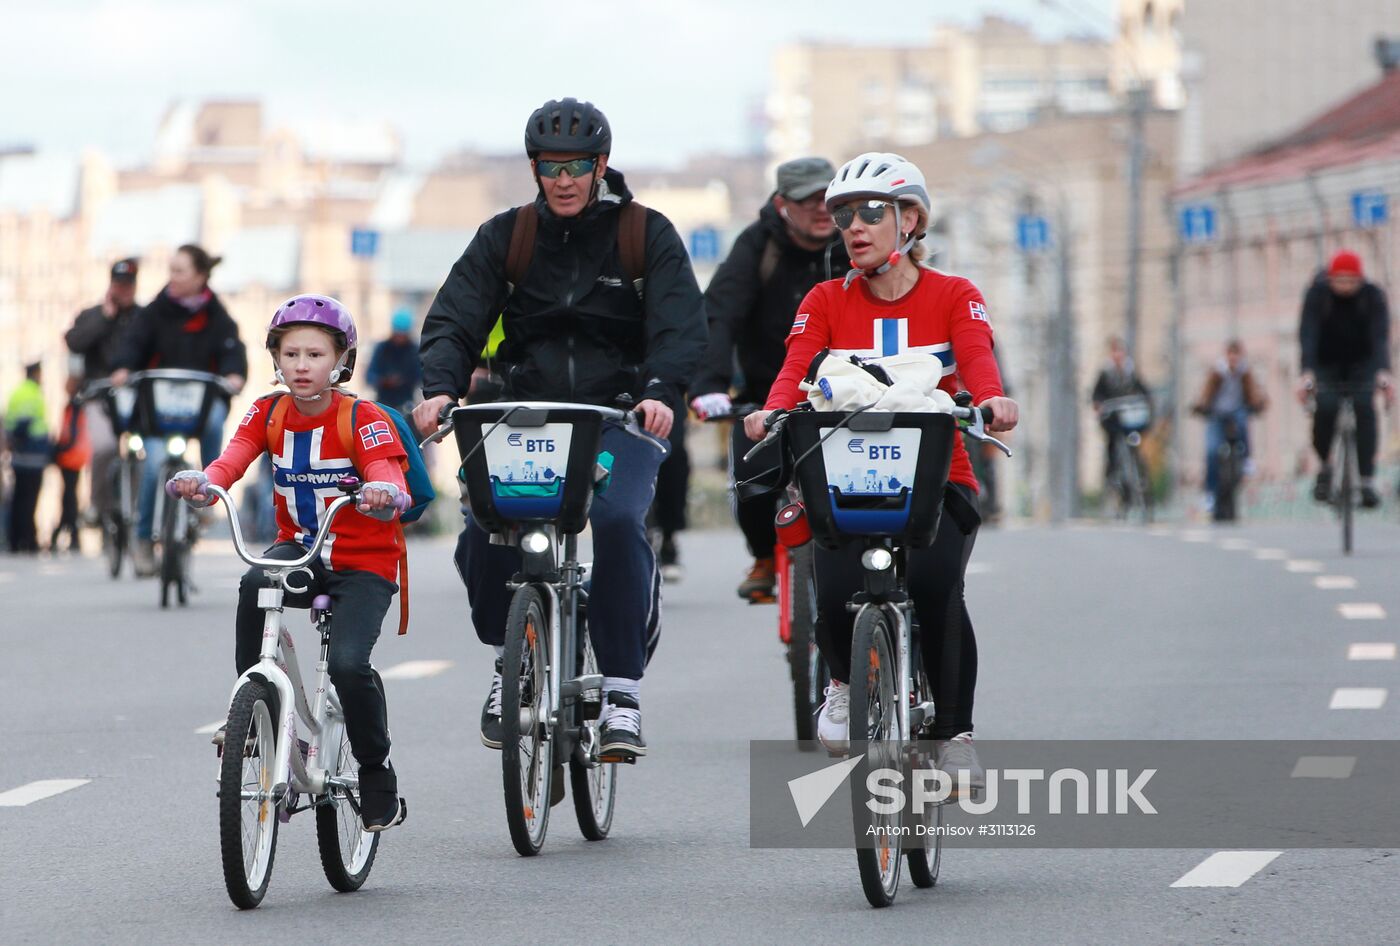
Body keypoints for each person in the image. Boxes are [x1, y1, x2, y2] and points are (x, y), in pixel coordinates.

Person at [414, 98, 706, 761]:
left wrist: (661, 391)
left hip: (620, 416)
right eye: (551, 168)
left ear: (601, 165)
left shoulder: (644, 234)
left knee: (617, 519)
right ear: (535, 169)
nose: (564, 180)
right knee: (484, 529)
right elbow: (455, 319)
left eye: (577, 166)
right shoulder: (506, 236)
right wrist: (439, 388)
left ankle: (624, 689)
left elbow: (680, 327)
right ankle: (508, 657)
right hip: (524, 414)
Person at [743, 152, 1018, 788]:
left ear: (911, 219)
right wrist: (773, 411)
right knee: (834, 589)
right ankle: (842, 684)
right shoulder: (824, 299)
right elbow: (795, 366)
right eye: (843, 216)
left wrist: (993, 400)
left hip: (936, 476)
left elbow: (977, 361)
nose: (854, 227)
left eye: (871, 212)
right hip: (845, 477)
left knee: (936, 586)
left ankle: (954, 735)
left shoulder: (955, 294)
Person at [168, 295, 409, 831]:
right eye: (291, 354)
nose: (302, 366)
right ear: (275, 359)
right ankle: (259, 716)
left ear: (341, 360)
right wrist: (207, 483)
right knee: (254, 583)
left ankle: (375, 771)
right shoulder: (268, 410)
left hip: (362, 561)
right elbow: (233, 457)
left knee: (349, 665)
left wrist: (383, 492)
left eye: (316, 355)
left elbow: (387, 473)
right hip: (298, 548)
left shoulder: (362, 417)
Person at [690, 156, 849, 601]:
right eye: (808, 200)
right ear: (782, 204)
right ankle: (763, 555)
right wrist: (709, 386)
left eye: (828, 199)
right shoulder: (758, 246)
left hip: (851, 394)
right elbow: (718, 316)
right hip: (767, 393)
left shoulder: (854, 242)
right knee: (752, 474)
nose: (822, 210)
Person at [111, 245, 247, 575]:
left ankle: (210, 489)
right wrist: (124, 368)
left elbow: (231, 349)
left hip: (199, 409)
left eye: (180, 271)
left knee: (216, 420)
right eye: (170, 270)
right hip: (158, 413)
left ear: (200, 276)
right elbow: (133, 343)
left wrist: (234, 375)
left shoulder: (217, 315)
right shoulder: (155, 312)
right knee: (155, 461)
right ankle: (143, 540)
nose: (172, 277)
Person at [1297, 249, 1393, 508]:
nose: (1345, 286)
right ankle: (1326, 466)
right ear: (1330, 278)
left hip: (1362, 364)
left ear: (1360, 279)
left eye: (1351, 281)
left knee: (1365, 409)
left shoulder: (1372, 297)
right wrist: (1306, 371)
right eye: (1340, 280)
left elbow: (1380, 337)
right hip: (1325, 364)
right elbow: (1308, 334)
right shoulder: (1318, 295)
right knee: (1325, 408)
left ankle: (1366, 480)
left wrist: (1384, 372)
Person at [65, 258, 142, 525]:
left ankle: (138, 508)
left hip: (136, 400)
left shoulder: (143, 318)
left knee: (143, 451)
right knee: (105, 447)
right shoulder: (92, 316)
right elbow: (74, 342)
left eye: (129, 284)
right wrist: (105, 318)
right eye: (120, 284)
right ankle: (98, 506)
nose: (125, 290)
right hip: (99, 397)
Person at [1193, 339, 1267, 509]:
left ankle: (1247, 459)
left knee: (1243, 422)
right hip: (1217, 414)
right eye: (1231, 356)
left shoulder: (1245, 372)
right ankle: (1210, 492)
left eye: (1237, 356)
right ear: (1226, 356)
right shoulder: (1217, 372)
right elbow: (1205, 392)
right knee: (1212, 451)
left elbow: (1254, 392)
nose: (1233, 360)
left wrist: (1259, 404)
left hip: (1236, 412)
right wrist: (1200, 406)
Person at [1090, 336, 1152, 492]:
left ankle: (1138, 472)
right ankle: (1113, 474)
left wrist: (1146, 401)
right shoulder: (1105, 373)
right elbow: (1096, 394)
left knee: (1135, 440)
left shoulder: (1130, 372)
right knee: (1112, 443)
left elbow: (1143, 389)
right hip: (1113, 418)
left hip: (1130, 418)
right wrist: (1099, 405)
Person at [5, 360, 50, 554]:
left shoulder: (17, 392)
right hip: (32, 457)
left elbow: (10, 425)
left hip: (19, 456)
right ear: (35, 374)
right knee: (29, 500)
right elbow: (25, 424)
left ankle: (15, 540)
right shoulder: (32, 394)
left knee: (18, 499)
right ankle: (29, 540)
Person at [50, 373, 91, 553]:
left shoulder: (75, 406)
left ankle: (68, 531)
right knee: (69, 495)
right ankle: (69, 532)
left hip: (70, 457)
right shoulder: (76, 405)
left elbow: (72, 433)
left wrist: (59, 448)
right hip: (72, 457)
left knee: (69, 497)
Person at [365, 308, 422, 414]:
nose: (400, 339)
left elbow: (421, 377)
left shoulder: (414, 351)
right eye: (398, 334)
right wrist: (384, 381)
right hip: (383, 405)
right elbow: (369, 376)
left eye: (403, 335)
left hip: (407, 405)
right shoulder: (382, 349)